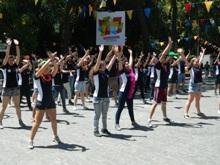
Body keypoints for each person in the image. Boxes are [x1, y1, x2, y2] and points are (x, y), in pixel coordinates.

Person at [28, 52, 61, 149]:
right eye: (46, 68)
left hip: (50, 101)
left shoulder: (50, 76)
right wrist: (49, 60)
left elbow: (55, 69)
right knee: (37, 123)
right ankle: (31, 140)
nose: (48, 69)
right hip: (41, 102)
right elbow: (42, 68)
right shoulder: (37, 76)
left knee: (54, 120)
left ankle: (55, 136)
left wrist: (53, 60)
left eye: (48, 68)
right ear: (42, 68)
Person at [91, 45, 117, 137]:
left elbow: (112, 61)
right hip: (97, 98)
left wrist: (116, 52)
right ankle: (95, 130)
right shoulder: (96, 72)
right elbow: (98, 62)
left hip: (106, 97)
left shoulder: (106, 72)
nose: (106, 65)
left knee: (104, 115)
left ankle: (104, 129)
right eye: (104, 64)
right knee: (97, 116)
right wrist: (101, 52)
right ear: (100, 66)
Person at [0, 39, 26, 129]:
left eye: (12, 60)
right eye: (10, 60)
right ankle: (0, 122)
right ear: (7, 61)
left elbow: (18, 56)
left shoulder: (15, 66)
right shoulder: (4, 67)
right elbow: (6, 55)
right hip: (6, 88)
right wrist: (9, 45)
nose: (11, 61)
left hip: (15, 88)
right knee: (4, 107)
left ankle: (20, 120)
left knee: (17, 106)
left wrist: (17, 45)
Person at [147, 37, 173, 127]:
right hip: (158, 86)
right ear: (160, 59)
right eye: (163, 57)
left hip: (164, 86)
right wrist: (169, 45)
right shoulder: (158, 65)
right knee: (155, 103)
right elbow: (164, 54)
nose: (166, 58)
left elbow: (167, 56)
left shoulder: (166, 65)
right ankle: (149, 119)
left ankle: (165, 117)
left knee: (164, 103)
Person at [115, 48, 137, 130]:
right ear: (124, 66)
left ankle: (133, 121)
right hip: (123, 92)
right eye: (126, 64)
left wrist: (131, 54)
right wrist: (120, 58)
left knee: (130, 108)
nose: (128, 64)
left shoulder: (130, 70)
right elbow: (120, 64)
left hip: (130, 93)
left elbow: (131, 61)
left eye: (128, 64)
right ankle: (117, 124)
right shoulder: (122, 71)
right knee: (120, 108)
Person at [183, 47, 207, 118]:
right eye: (196, 61)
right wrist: (182, 54)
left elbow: (201, 59)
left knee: (197, 100)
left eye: (197, 61)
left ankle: (198, 112)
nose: (197, 62)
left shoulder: (198, 67)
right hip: (193, 85)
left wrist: (203, 52)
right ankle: (185, 113)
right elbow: (185, 61)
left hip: (199, 85)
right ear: (192, 63)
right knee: (190, 100)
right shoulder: (191, 68)